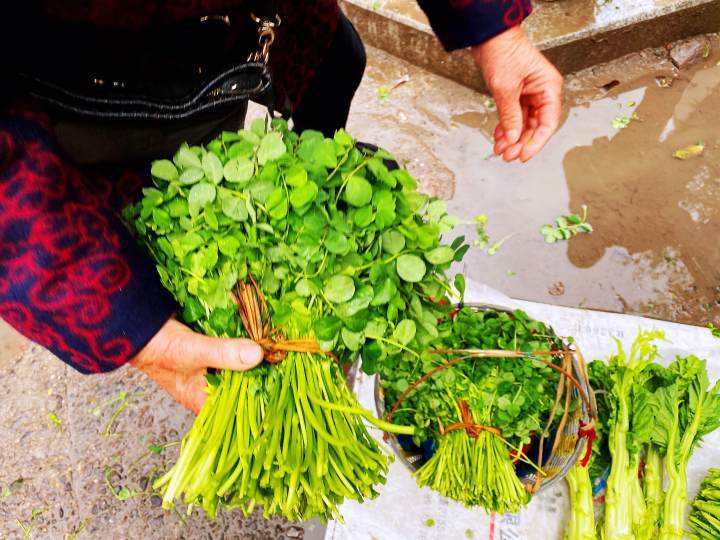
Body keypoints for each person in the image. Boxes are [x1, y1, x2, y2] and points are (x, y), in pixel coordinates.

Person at [0, 1, 562, 414]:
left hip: (277, 24)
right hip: (91, 84)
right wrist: (125, 322)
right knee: (161, 219)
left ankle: (299, 190)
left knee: (340, 63)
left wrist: (492, 26)